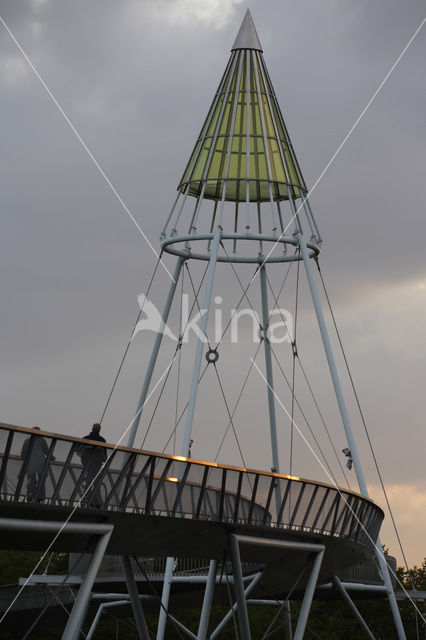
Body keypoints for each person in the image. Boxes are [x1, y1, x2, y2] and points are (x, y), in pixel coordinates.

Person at [78, 423, 107, 507]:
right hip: (97, 464)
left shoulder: (86, 438)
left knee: (88, 480)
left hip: (86, 463)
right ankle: (97, 501)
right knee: (96, 482)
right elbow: (104, 456)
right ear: (99, 430)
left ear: (92, 429)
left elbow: (78, 449)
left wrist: (82, 456)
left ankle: (87, 497)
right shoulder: (102, 440)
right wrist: (104, 460)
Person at [20, 427, 50, 502]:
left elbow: (23, 454)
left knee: (30, 481)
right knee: (42, 481)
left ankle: (30, 497)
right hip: (41, 465)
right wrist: (52, 458)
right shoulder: (42, 440)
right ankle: (40, 498)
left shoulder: (27, 441)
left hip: (30, 465)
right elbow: (47, 452)